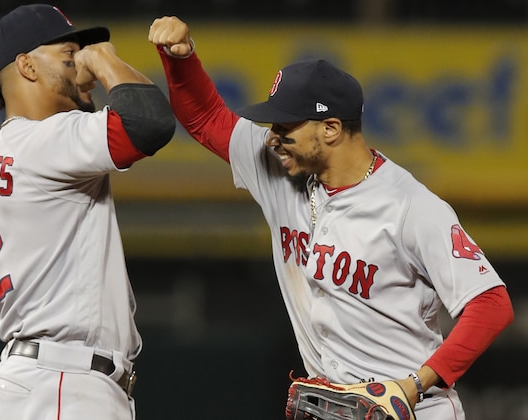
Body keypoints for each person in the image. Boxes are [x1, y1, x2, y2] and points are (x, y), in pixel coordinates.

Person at [148, 16, 514, 419]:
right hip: (332, 406)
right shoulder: (279, 169)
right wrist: (180, 60)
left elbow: (491, 304)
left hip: (413, 409)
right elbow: (205, 119)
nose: (272, 136)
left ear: (331, 128)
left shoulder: (409, 206)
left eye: (285, 125)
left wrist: (412, 386)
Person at [0, 5, 175, 420]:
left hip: (38, 380)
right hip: (63, 382)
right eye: (68, 54)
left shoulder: (1, 155)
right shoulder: (45, 139)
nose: (80, 60)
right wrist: (103, 59)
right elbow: (149, 122)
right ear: (26, 66)